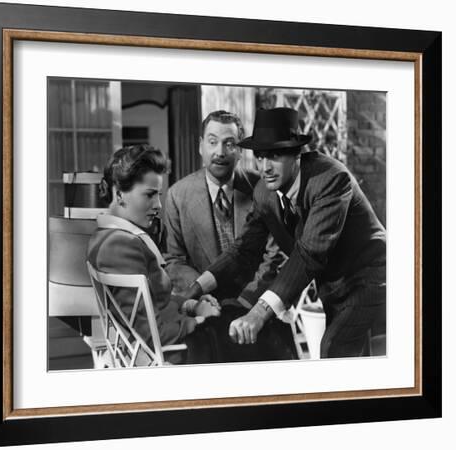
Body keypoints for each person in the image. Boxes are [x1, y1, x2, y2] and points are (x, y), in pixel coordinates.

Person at [186, 107, 386, 358]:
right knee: (353, 361)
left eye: (275, 156)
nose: (265, 167)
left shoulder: (331, 178)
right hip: (332, 286)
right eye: (260, 157)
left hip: (371, 278)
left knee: (334, 350)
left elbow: (309, 253)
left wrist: (259, 312)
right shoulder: (264, 192)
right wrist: (195, 287)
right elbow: (244, 250)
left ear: (297, 154)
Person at [164, 110, 296, 361]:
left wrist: (248, 302)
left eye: (229, 143)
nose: (220, 152)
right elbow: (174, 260)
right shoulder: (177, 195)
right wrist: (203, 296)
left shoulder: (263, 187)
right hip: (203, 305)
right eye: (212, 142)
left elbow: (275, 254)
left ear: (240, 150)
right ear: (200, 146)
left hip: (255, 300)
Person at [87, 145, 222, 365]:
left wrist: (190, 304)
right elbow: (151, 335)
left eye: (158, 195)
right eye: (149, 195)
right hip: (177, 355)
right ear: (119, 194)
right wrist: (200, 320)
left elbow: (154, 303)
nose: (158, 205)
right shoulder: (119, 246)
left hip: (173, 337)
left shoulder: (107, 236)